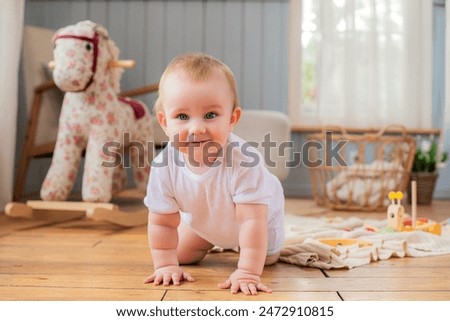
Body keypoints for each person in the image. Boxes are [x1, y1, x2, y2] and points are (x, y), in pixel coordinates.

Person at [143, 53, 284, 295]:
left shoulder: (245, 162)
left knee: (266, 259)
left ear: (232, 119)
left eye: (210, 115)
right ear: (165, 123)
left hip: (258, 219)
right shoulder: (164, 165)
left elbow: (252, 220)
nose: (196, 128)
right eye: (182, 117)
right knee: (181, 255)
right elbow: (162, 223)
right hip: (206, 220)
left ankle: (244, 252)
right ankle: (210, 239)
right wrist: (166, 265)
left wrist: (247, 272)